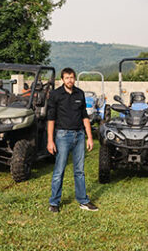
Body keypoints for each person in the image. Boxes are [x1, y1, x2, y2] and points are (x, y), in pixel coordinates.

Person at [47, 67, 98, 212]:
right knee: (59, 170)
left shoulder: (80, 94)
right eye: (67, 78)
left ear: (75, 78)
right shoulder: (56, 94)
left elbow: (84, 116)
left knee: (79, 171)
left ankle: (83, 201)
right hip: (62, 136)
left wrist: (89, 137)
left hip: (79, 135)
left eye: (72, 77)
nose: (70, 80)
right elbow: (50, 119)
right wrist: (50, 140)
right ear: (62, 80)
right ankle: (54, 203)